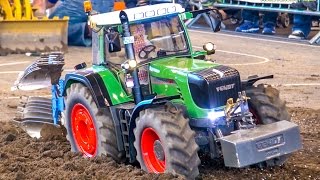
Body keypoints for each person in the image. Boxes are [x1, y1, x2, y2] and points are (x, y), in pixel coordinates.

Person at [33, 0, 114, 47]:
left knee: (51, 30)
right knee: (51, 29)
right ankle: (91, 29)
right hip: (101, 9)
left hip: (79, 5)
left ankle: (91, 29)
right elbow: (48, 2)